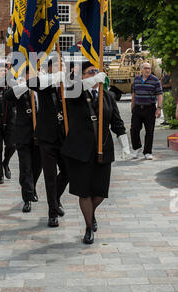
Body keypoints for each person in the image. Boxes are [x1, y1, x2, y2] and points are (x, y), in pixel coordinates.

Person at [61, 61, 129, 244]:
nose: (94, 74)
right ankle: (89, 228)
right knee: (84, 192)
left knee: (99, 192)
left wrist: (125, 143)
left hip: (102, 150)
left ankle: (91, 213)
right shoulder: (74, 93)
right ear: (82, 76)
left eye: (96, 72)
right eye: (90, 72)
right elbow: (72, 91)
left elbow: (117, 122)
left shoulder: (107, 96)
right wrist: (90, 82)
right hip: (79, 150)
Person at [27, 55, 69, 228]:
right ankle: (52, 212)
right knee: (50, 176)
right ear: (50, 69)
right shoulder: (45, 84)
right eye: (58, 65)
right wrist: (54, 78)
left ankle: (55, 197)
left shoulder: (70, 85)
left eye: (63, 65)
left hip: (65, 137)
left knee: (68, 171)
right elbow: (31, 83)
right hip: (47, 137)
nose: (61, 68)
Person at [5, 67, 42, 213]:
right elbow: (7, 96)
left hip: (40, 135)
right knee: (25, 168)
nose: (33, 77)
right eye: (29, 75)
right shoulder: (20, 89)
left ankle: (31, 188)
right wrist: (26, 85)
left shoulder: (42, 89)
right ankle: (27, 198)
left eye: (35, 74)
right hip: (23, 135)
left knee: (37, 167)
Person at [131, 62, 163, 160]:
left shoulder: (155, 80)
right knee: (134, 130)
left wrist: (159, 108)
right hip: (137, 108)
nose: (147, 70)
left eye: (149, 68)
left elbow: (160, 95)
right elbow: (134, 94)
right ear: (141, 69)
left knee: (149, 131)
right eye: (145, 68)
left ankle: (147, 152)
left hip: (150, 109)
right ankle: (137, 148)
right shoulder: (136, 79)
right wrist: (132, 107)